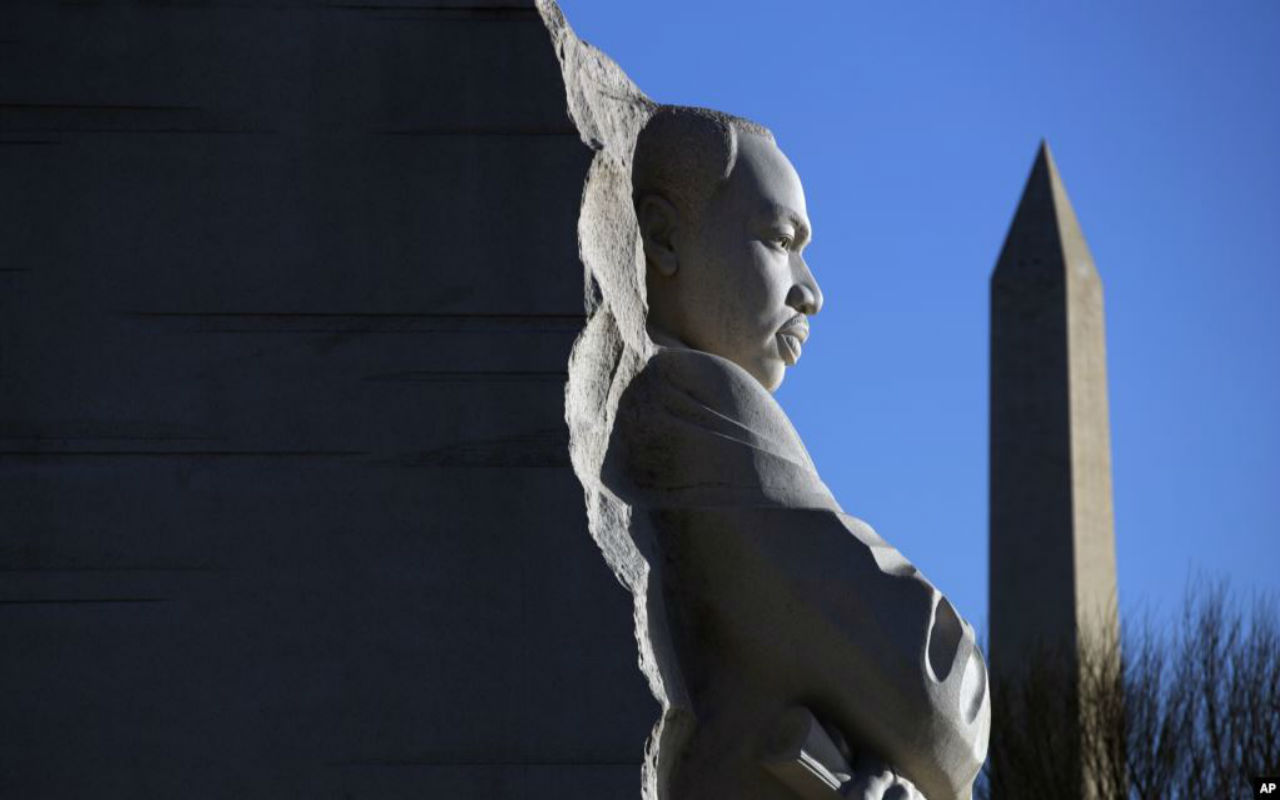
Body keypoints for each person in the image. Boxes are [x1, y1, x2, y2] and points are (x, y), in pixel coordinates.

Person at [599, 106, 990, 800]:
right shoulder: (696, 391)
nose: (810, 292)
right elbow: (932, 703)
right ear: (662, 238)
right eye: (780, 241)